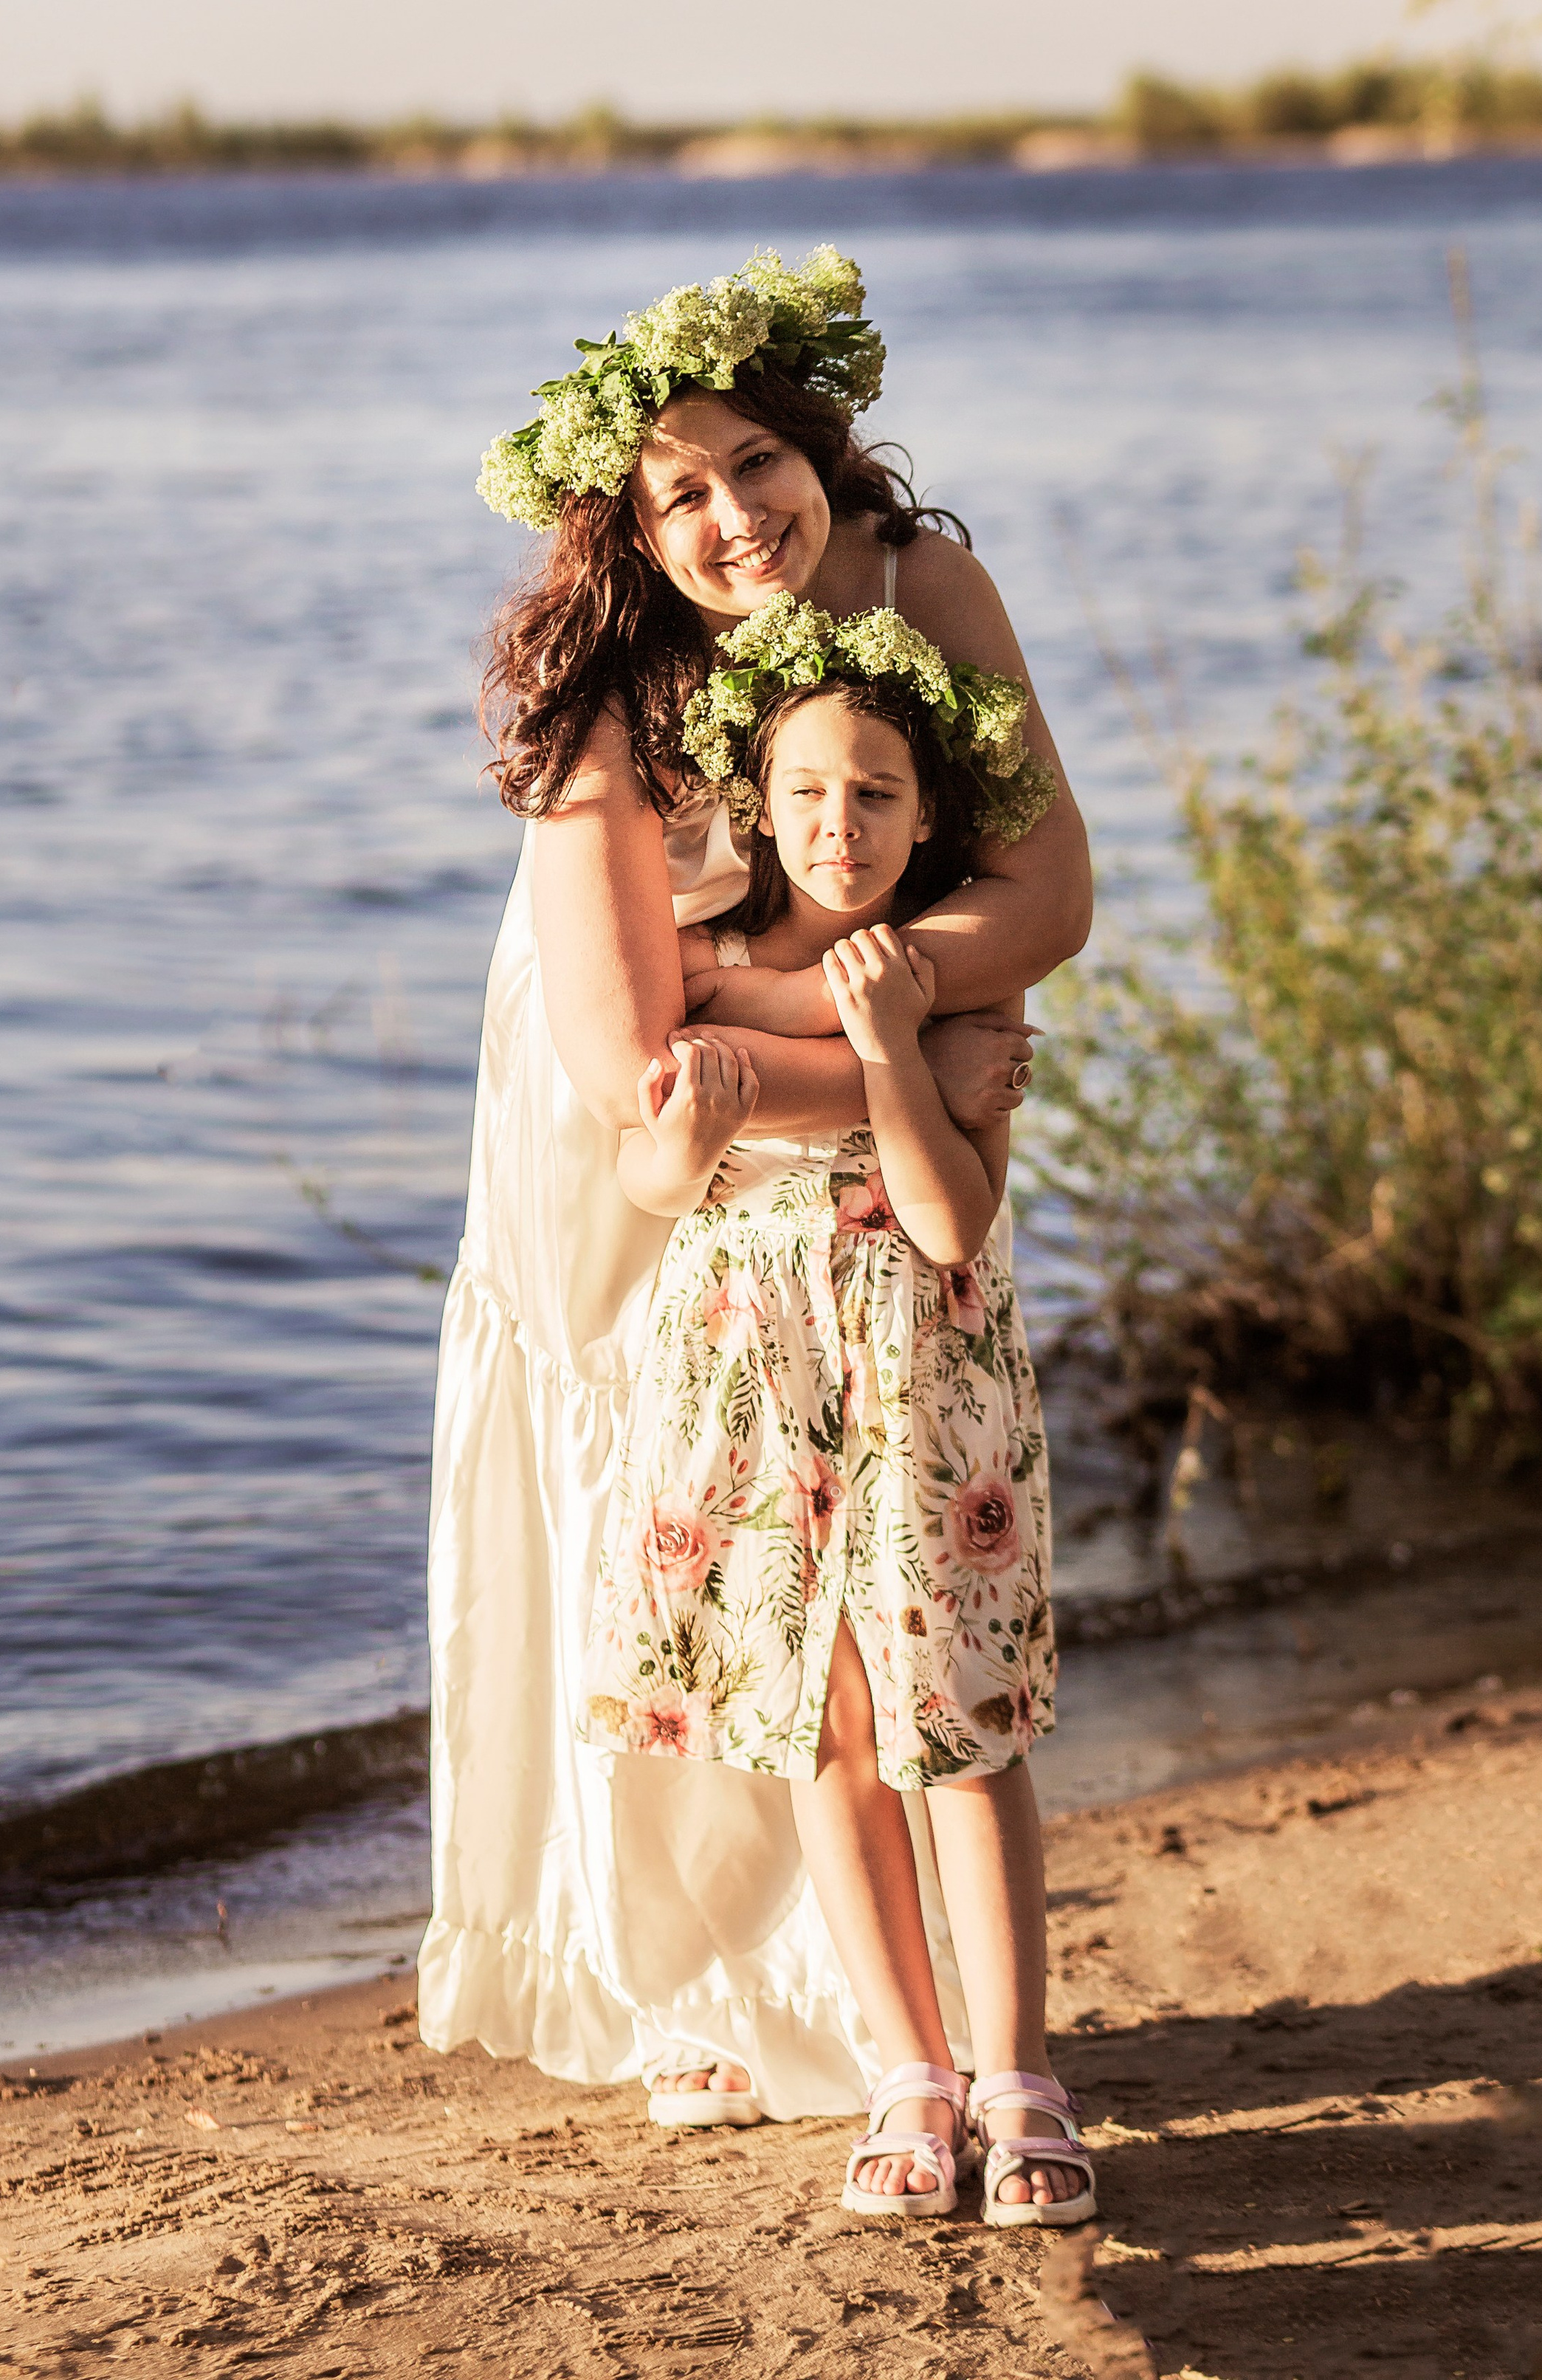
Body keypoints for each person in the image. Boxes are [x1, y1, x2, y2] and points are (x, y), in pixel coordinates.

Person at [419, 247, 1092, 2139]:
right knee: (676, 1516)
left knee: (876, 1534)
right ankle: (704, 1977)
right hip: (645, 1104)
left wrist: (839, 1027)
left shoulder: (920, 584)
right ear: (627, 533)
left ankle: (909, 2020)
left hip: (852, 1090)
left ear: (823, 441)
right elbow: (632, 1054)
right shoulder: (611, 692)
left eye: (753, 464)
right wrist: (904, 1059)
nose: (731, 519)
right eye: (676, 496)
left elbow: (1045, 903)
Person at [583, 610, 1093, 2221]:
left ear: (926, 814)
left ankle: (1014, 2075)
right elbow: (647, 1174)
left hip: (920, 1380)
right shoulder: (705, 956)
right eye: (806, 794)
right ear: (757, 800)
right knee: (825, 1720)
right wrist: (689, 1124)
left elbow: (950, 1224)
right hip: (752, 1368)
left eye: (876, 794)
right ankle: (906, 2072)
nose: (838, 826)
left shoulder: (954, 983)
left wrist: (881, 1049)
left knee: (955, 1721)